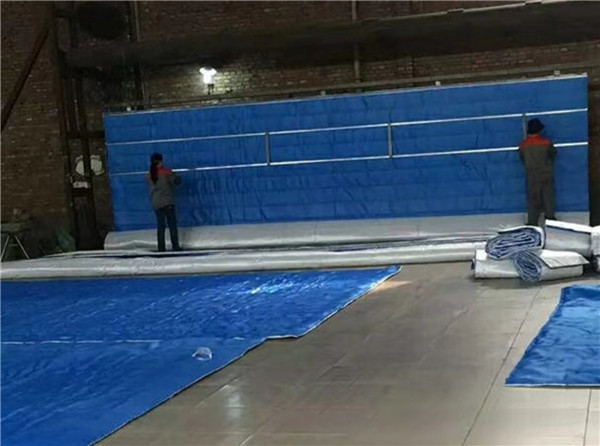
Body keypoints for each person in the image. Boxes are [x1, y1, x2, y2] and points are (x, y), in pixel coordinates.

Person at [519, 118, 556, 226]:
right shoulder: (546, 142)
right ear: (539, 130)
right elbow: (553, 154)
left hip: (531, 174)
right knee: (548, 196)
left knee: (533, 198)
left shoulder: (523, 145)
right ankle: (550, 219)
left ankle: (532, 221)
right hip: (546, 173)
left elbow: (522, 157)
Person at [147, 153, 182, 252]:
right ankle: (175, 246)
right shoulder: (166, 172)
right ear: (161, 161)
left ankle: (161, 248)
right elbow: (176, 182)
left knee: (161, 226)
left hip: (156, 203)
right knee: (172, 225)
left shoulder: (149, 174)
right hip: (167, 202)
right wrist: (176, 177)